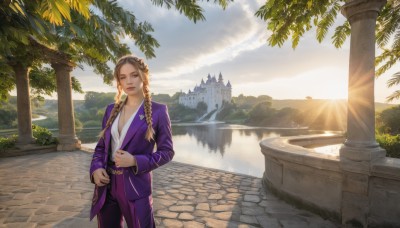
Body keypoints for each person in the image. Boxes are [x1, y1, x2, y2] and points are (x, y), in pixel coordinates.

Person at [89, 55, 174, 227]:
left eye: (134, 75)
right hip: (106, 185)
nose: (129, 81)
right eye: (123, 77)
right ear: (119, 82)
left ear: (144, 76)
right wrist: (96, 169)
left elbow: (167, 152)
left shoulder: (158, 111)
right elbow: (101, 148)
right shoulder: (111, 110)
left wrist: (135, 161)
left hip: (136, 186)